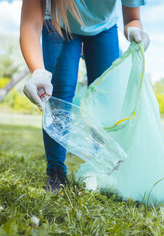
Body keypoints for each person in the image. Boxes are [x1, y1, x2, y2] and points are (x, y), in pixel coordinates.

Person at [19, 0, 150, 192]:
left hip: (103, 29)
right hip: (58, 24)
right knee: (59, 95)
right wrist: (38, 72)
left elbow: (133, 19)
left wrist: (134, 31)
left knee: (105, 97)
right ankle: (56, 173)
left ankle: (101, 170)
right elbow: (30, 23)